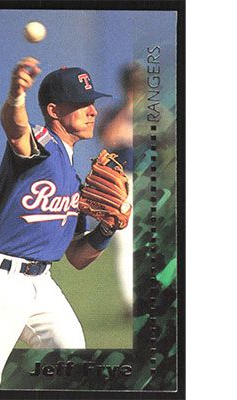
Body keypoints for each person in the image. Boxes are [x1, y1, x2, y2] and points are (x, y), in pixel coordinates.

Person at [0, 57, 121, 390]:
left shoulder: (74, 179)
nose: (92, 111)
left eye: (92, 103)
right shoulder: (42, 142)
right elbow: (16, 129)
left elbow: (77, 256)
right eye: (81, 104)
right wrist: (17, 95)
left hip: (41, 284)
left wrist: (106, 230)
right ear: (54, 110)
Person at [97, 62, 144, 316]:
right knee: (125, 241)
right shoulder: (115, 113)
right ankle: (130, 301)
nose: (135, 88)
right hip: (121, 182)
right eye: (132, 83)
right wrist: (129, 108)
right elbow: (108, 138)